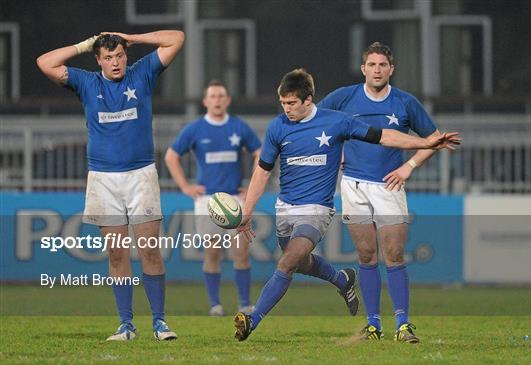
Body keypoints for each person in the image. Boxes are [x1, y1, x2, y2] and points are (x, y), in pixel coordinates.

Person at [233, 68, 460, 341]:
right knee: (300, 262)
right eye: (283, 103)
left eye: (291, 103)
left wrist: (424, 142)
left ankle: (252, 319)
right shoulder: (278, 126)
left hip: (317, 209)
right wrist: (247, 210)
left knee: (288, 261)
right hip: (285, 207)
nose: (286, 109)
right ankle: (342, 280)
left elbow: (383, 136)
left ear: (308, 100)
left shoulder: (337, 122)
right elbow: (262, 171)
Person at [36, 30, 185, 341]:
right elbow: (44, 62)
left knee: (149, 251)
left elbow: (177, 38)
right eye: (107, 57)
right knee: (117, 255)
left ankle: (159, 323)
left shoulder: (142, 72)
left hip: (141, 174)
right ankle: (126, 325)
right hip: (103, 179)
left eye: (119, 55)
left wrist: (133, 37)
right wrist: (83, 43)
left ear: (125, 55)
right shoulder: (87, 82)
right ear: (98, 60)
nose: (115, 62)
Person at [318, 41, 444, 343]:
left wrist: (408, 166)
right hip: (353, 185)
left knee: (395, 254)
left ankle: (403, 325)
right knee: (365, 254)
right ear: (363, 69)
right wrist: (337, 152)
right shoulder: (344, 97)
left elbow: (435, 138)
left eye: (382, 65)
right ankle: (373, 325)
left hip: (389, 185)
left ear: (391, 69)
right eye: (372, 65)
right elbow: (317, 125)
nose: (377, 70)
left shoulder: (404, 102)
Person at [164, 81, 261, 316]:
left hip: (236, 199)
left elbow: (260, 154)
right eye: (212, 96)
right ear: (205, 101)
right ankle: (215, 305)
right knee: (212, 252)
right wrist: (185, 186)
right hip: (208, 201)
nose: (217, 100)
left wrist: (252, 185)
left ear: (227, 100)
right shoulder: (195, 129)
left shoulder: (239, 127)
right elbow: (171, 156)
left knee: (241, 252)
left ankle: (245, 304)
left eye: (221, 96)